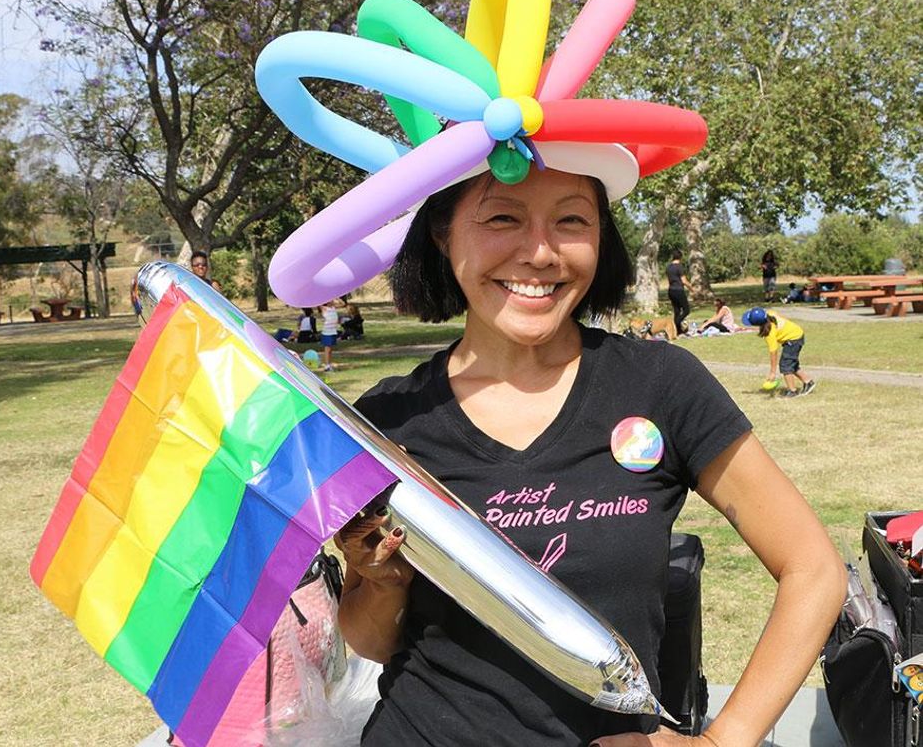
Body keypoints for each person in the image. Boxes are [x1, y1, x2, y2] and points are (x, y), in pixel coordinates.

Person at [336, 167, 845, 746]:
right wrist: (380, 582)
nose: (541, 251)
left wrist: (722, 740)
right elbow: (373, 643)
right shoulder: (387, 419)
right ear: (441, 232)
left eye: (572, 220)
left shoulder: (660, 384)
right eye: (503, 216)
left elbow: (814, 569)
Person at [742, 307, 816, 398]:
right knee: (791, 363)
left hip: (793, 339)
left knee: (785, 365)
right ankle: (808, 382)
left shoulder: (769, 333)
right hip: (796, 334)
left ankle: (792, 391)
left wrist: (772, 372)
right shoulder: (770, 313)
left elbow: (773, 352)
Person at [665, 250, 691, 335]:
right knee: (686, 310)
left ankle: (678, 331)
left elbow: (669, 280)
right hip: (678, 290)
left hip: (671, 290)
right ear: (680, 257)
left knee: (677, 311)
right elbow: (684, 281)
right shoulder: (679, 267)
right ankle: (675, 324)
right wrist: (691, 288)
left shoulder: (668, 267)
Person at [319, 299, 340, 371]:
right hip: (327, 331)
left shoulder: (334, 308)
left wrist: (336, 298)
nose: (331, 301)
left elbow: (343, 304)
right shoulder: (324, 308)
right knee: (327, 349)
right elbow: (317, 303)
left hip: (333, 330)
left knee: (330, 349)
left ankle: (329, 363)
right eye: (329, 300)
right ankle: (327, 365)